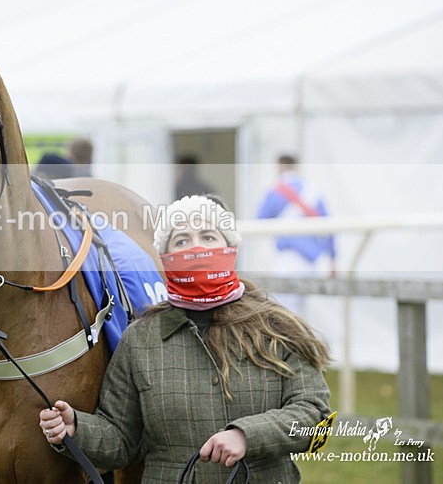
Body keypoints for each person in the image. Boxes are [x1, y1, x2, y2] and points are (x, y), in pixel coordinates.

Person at [39, 194, 332, 483]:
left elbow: (315, 416)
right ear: (165, 257)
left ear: (231, 248)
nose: (195, 248)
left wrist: (247, 436)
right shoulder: (139, 338)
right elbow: (122, 439)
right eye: (181, 241)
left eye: (207, 236)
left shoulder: (276, 327)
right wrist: (77, 428)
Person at [257, 154, 336, 316]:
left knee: (285, 311)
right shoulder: (313, 191)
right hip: (311, 261)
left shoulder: (274, 191)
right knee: (304, 310)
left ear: (279, 167)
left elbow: (259, 220)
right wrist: (333, 258)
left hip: (287, 259)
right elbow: (329, 226)